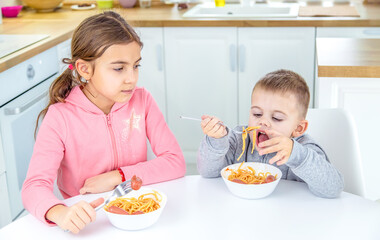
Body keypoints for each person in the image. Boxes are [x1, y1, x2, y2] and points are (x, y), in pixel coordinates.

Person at [22, 11, 186, 234]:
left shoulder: (142, 100)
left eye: (136, 66)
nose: (132, 78)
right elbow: (34, 187)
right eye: (119, 68)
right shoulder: (60, 117)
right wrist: (60, 212)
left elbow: (175, 161)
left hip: (138, 214)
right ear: (84, 69)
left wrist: (117, 177)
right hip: (91, 224)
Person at [197, 69, 344, 198]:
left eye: (276, 118)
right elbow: (208, 173)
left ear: (298, 128)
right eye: (257, 114)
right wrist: (216, 140)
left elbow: (333, 188)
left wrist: (296, 155)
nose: (263, 122)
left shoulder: (304, 148)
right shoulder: (238, 140)